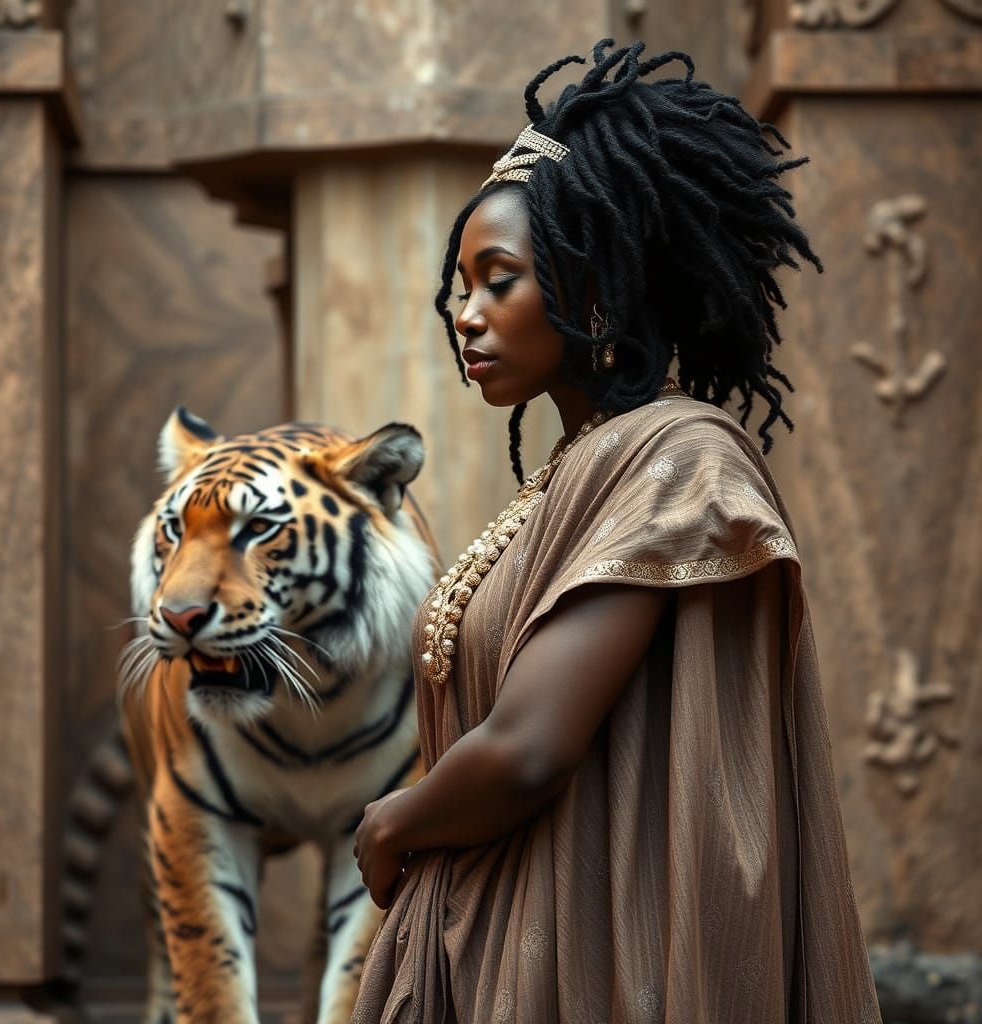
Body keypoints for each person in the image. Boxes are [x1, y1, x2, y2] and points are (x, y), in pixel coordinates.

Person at [352, 39, 882, 1024]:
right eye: (457, 287)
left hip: (586, 958)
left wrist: (391, 823)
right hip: (493, 934)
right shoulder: (570, 473)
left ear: (593, 292)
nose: (464, 315)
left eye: (495, 279)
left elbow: (528, 748)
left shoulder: (677, 456)